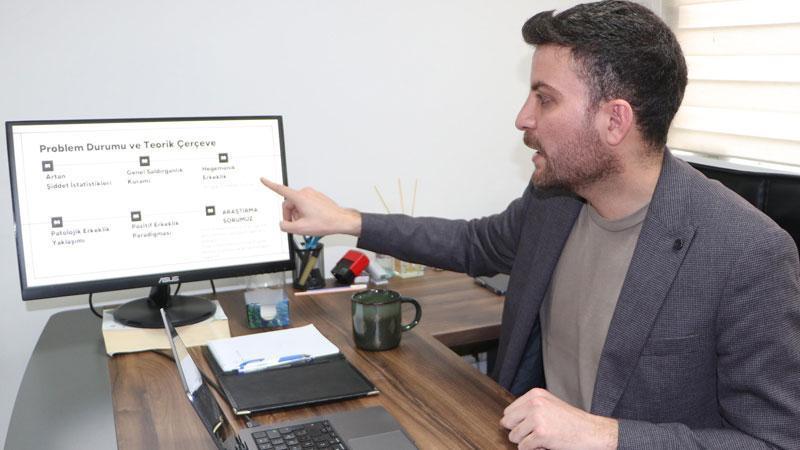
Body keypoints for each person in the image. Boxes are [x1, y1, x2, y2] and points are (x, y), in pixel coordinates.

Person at [260, 1, 800, 448]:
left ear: (615, 120)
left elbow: (775, 441)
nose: (523, 117)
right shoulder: (555, 200)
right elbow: (472, 243)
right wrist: (347, 220)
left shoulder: (747, 252)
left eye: (545, 98)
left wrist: (606, 436)